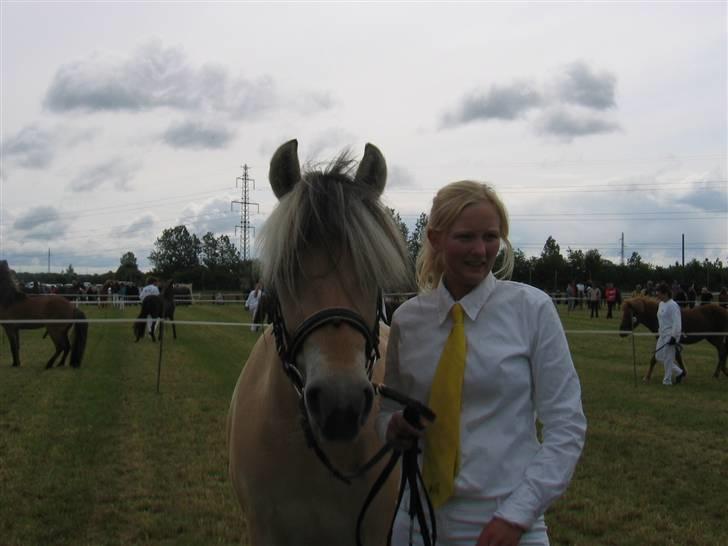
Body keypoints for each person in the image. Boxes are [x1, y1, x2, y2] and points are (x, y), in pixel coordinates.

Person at [377, 180, 586, 546]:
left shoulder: (532, 310)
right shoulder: (407, 321)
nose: (480, 250)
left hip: (508, 527)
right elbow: (386, 414)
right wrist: (392, 428)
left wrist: (517, 516)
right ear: (435, 238)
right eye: (465, 237)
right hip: (416, 525)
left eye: (491, 237)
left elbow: (566, 427)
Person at [655, 283, 685, 385]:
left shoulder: (673, 305)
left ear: (665, 293)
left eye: (658, 293)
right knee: (658, 356)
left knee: (668, 358)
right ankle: (679, 372)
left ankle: (667, 381)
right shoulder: (661, 304)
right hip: (662, 335)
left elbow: (677, 323)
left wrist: (673, 337)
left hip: (670, 335)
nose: (657, 295)